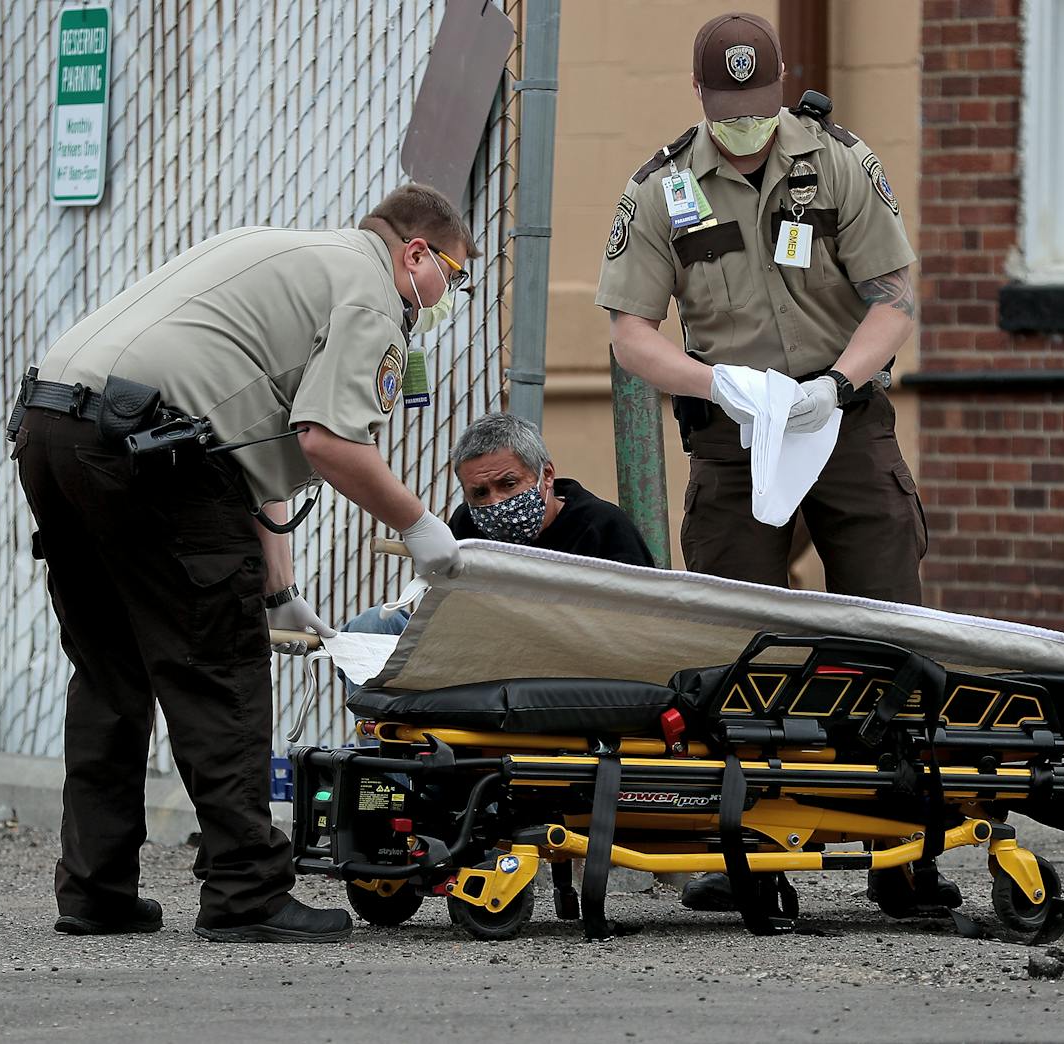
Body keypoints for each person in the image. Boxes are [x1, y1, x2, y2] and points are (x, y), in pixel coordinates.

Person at [10, 183, 475, 943]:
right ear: (416, 253)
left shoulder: (286, 251)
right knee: (219, 670)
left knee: (110, 672)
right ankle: (246, 891)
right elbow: (329, 441)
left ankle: (94, 887)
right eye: (452, 277)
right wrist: (422, 527)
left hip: (54, 430)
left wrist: (278, 588)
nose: (447, 297)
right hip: (148, 453)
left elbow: (243, 449)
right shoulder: (371, 296)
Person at [594, 11, 948, 914]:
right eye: (728, 108)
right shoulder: (663, 186)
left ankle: (903, 853)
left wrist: (834, 382)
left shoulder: (837, 162)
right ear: (702, 97)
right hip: (732, 433)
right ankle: (742, 848)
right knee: (730, 636)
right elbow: (632, 334)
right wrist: (715, 384)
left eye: (758, 105)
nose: (744, 124)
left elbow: (892, 296)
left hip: (846, 424)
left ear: (783, 82)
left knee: (889, 626)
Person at [343, 411, 656, 639]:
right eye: (479, 493)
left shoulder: (603, 527)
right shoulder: (465, 523)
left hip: (571, 672)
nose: (494, 503)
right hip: (479, 666)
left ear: (546, 475)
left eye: (508, 484)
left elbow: (641, 629)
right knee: (370, 628)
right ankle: (383, 731)